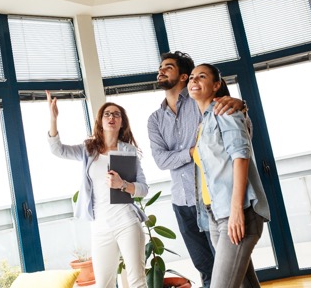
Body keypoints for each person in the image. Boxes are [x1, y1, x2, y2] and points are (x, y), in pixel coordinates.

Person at [147, 51, 247, 288]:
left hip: (212, 201)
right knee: (205, 267)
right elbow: (161, 160)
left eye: (167, 67)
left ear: (184, 76)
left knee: (229, 268)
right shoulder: (155, 119)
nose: (160, 71)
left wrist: (242, 103)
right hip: (182, 203)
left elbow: (233, 129)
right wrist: (190, 153)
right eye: (160, 67)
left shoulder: (202, 101)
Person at [46, 90, 149, 288]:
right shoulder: (89, 150)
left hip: (126, 222)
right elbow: (57, 149)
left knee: (137, 282)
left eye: (116, 114)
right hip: (100, 227)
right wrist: (53, 119)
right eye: (107, 114)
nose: (111, 117)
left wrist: (123, 185)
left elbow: (144, 189)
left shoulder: (127, 151)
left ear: (122, 123)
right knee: (104, 285)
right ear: (100, 121)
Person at [187, 63, 270, 288]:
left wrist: (236, 212)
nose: (194, 80)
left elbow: (240, 157)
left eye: (201, 76)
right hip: (215, 214)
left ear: (216, 85)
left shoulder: (225, 111)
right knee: (245, 285)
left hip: (236, 213)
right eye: (192, 77)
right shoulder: (203, 124)